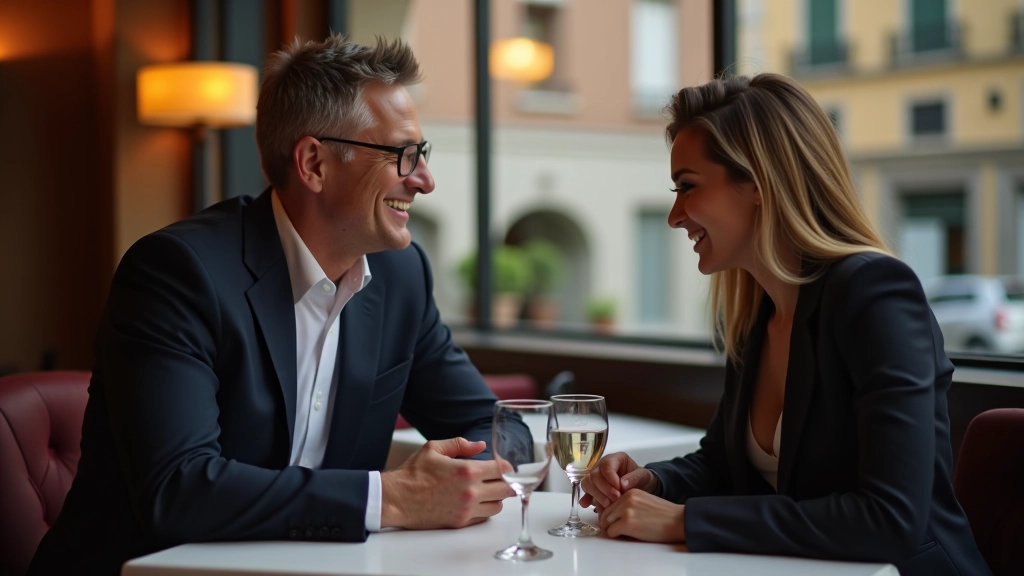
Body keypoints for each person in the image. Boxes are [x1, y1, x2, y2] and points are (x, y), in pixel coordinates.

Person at [29, 35, 517, 576]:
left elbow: (481, 423)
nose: (424, 180)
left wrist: (583, 467)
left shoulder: (401, 276)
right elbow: (180, 489)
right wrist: (392, 499)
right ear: (313, 163)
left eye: (421, 154)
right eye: (403, 155)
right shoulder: (177, 272)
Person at [579, 73, 991, 576]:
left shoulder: (876, 293)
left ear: (757, 182)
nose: (674, 216)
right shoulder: (760, 310)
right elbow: (721, 464)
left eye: (687, 187)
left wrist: (684, 521)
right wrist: (654, 482)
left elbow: (889, 520)